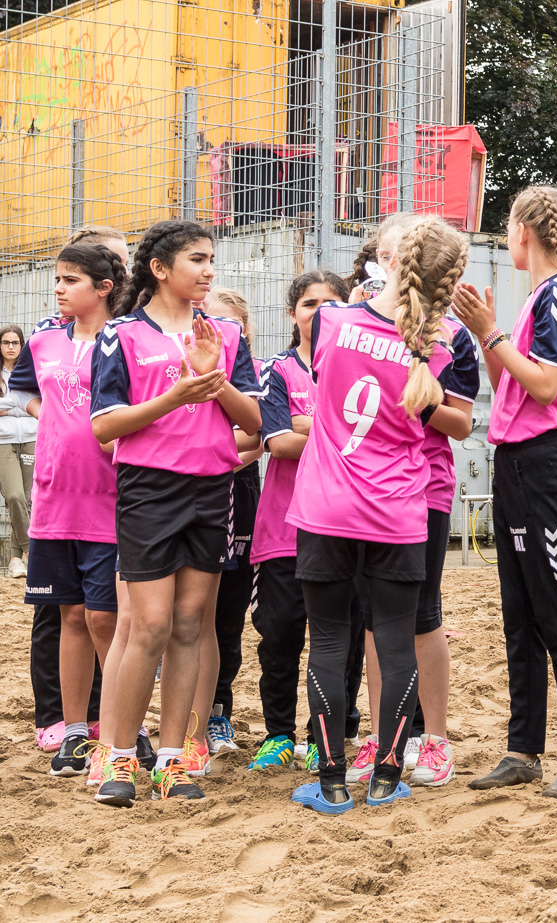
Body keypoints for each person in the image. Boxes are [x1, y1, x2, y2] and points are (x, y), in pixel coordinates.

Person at [285, 215, 472, 813]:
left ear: (392, 261)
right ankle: (388, 775)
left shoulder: (334, 320)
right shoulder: (438, 344)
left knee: (331, 638)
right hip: (398, 507)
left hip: (328, 503)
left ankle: (333, 777)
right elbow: (449, 419)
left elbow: (323, 388)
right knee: (396, 638)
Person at [89, 220, 263, 805]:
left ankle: (173, 761)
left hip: (213, 489)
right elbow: (104, 425)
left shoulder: (227, 332)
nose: (209, 269)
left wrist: (213, 383)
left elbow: (257, 423)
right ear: (160, 269)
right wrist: (174, 395)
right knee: (151, 625)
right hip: (149, 490)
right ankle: (117, 759)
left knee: (192, 624)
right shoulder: (121, 334)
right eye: (197, 258)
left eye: (211, 258)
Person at [452, 184, 557, 802]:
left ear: (525, 231)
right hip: (513, 459)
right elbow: (507, 382)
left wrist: (490, 332)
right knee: (520, 614)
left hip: (548, 461)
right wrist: (486, 334)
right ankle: (523, 749)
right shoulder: (537, 296)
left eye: (510, 225)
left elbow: (544, 386)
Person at [12, 244, 125, 779]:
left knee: (107, 618)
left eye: (71, 279)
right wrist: (54, 416)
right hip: (55, 498)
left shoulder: (125, 337)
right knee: (70, 616)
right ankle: (75, 732)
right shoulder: (43, 338)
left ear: (103, 287)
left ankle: (124, 728)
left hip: (112, 496)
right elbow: (27, 392)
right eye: (58, 279)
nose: (58, 288)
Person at [248, 270, 363, 776]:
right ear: (292, 313)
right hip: (283, 529)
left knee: (341, 637)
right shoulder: (277, 370)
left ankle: (328, 735)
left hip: (346, 526)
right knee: (279, 636)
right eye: (308, 303)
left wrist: (306, 425)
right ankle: (278, 734)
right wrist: (333, 429)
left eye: (330, 303)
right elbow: (276, 443)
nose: (319, 311)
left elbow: (366, 438)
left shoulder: (360, 366)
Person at [191, 287, 262, 763]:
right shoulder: (182, 364)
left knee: (228, 616)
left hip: (237, 495)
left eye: (227, 324)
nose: (214, 330)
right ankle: (184, 722)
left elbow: (256, 437)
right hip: (188, 497)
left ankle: (218, 712)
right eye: (207, 319)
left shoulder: (247, 377)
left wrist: (209, 456)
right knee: (187, 617)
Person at [0, 324, 36, 579]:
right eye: (5, 342)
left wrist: (7, 405)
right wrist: (21, 403)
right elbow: (26, 402)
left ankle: (15, 560)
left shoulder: (30, 371)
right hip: (3, 441)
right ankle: (31, 551)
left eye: (15, 342)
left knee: (28, 500)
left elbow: (40, 400)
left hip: (33, 438)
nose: (11, 347)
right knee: (14, 497)